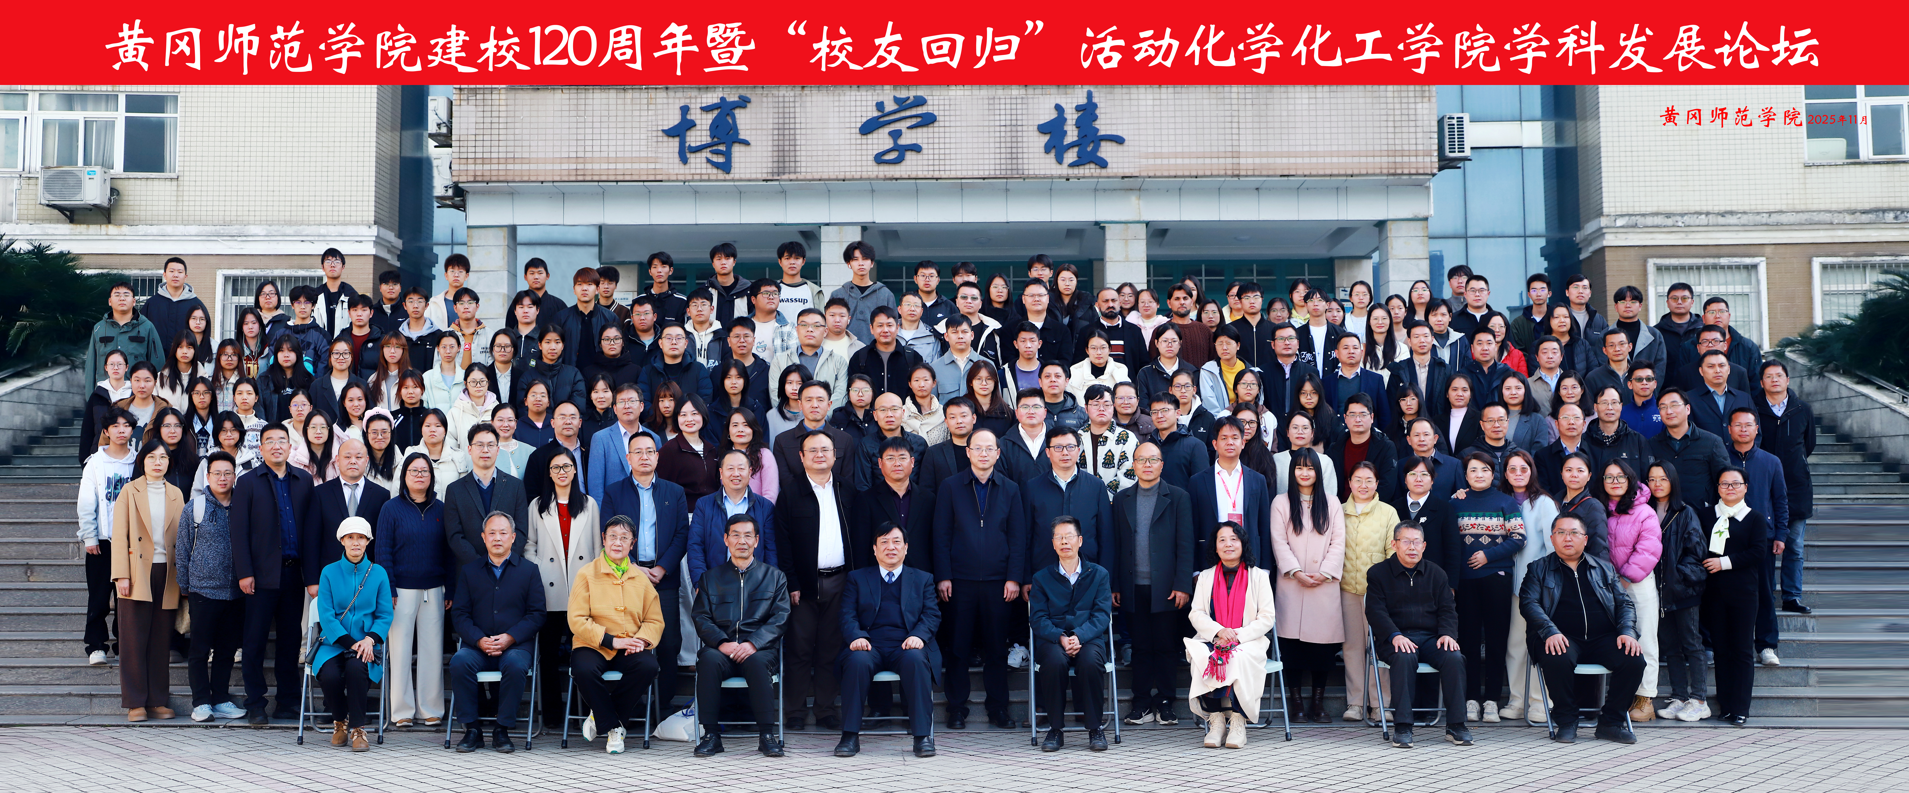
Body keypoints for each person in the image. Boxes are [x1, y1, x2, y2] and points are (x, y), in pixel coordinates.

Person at [1518, 513, 1645, 744]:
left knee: (1633, 659)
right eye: (1561, 533)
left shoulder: (1604, 568)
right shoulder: (1538, 568)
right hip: (1560, 638)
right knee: (1557, 656)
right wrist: (1550, 631)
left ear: (1585, 539)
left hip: (1602, 638)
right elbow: (1529, 603)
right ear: (1552, 538)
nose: (1568, 538)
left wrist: (1627, 632)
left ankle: (1611, 723)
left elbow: (1624, 603)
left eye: (1574, 533)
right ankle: (1567, 721)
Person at [932, 428, 1027, 730]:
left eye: (989, 449)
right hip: (959, 580)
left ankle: (998, 708)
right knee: (958, 647)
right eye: (978, 448)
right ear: (968, 452)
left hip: (1000, 583)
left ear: (998, 453)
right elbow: (941, 534)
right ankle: (956, 709)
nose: (983, 454)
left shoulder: (1010, 488)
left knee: (997, 648)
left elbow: (1018, 537)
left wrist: (1014, 577)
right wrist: (943, 575)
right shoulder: (950, 486)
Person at [771, 429, 857, 731]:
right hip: (803, 585)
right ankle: (795, 711)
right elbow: (782, 543)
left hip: (841, 581)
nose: (820, 455)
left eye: (825, 450)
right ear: (801, 457)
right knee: (799, 649)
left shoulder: (847, 489)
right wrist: (792, 583)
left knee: (831, 648)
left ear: (834, 455)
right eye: (813, 451)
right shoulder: (790, 492)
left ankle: (825, 710)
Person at [833, 522, 942, 758]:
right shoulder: (857, 578)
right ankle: (849, 736)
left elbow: (932, 615)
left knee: (916, 660)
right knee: (857, 661)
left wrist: (918, 636)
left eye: (896, 542)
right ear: (874, 549)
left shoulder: (922, 579)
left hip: (906, 645)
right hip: (869, 644)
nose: (890, 547)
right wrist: (856, 636)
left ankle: (922, 737)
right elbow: (847, 614)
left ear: (906, 548)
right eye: (884, 542)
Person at [231, 423, 316, 723]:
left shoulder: (304, 480)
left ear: (290, 447)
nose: (277, 446)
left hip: (294, 574)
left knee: (290, 641)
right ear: (261, 448)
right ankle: (255, 703)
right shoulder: (248, 482)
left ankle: (287, 702)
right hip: (260, 575)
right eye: (270, 441)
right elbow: (238, 531)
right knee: (254, 641)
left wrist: (312, 576)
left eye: (282, 440)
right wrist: (245, 572)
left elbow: (311, 530)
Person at [596, 431, 689, 705]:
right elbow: (608, 535)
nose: (644, 456)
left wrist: (662, 568)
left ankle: (664, 705)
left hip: (664, 579)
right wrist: (634, 568)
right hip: (626, 578)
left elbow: (682, 534)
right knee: (632, 640)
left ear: (657, 456)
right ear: (628, 458)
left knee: (668, 642)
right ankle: (634, 705)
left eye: (649, 451)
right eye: (638, 452)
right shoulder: (614, 492)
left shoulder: (674, 491)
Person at [691, 514, 792, 757]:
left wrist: (753, 643)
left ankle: (767, 735)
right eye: (735, 535)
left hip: (759, 650)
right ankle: (711, 735)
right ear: (726, 539)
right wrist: (722, 642)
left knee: (757, 663)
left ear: (757, 541)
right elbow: (701, 617)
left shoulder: (774, 577)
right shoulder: (710, 578)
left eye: (748, 535)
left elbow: (780, 617)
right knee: (707, 660)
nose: (742, 541)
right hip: (721, 649)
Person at [447, 513, 547, 752]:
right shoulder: (470, 571)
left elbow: (537, 614)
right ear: (483, 537)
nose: (497, 538)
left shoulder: (529, 571)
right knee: (459, 662)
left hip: (516, 646)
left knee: (515, 664)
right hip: (477, 646)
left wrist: (510, 637)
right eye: (492, 533)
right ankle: (472, 729)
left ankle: (502, 729)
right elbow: (459, 614)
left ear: (513, 537)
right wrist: (479, 640)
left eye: (503, 533)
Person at [1366, 520, 1469, 748]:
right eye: (1406, 541)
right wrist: (1394, 635)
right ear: (1394, 544)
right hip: (1395, 638)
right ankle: (1403, 726)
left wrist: (1447, 634)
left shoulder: (1437, 573)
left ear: (1424, 546)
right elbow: (1375, 611)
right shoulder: (1378, 574)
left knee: (1454, 658)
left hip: (1431, 638)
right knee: (1404, 657)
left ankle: (1456, 725)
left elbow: (1448, 609)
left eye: (1416, 542)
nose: (1412, 547)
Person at [566, 515, 665, 755]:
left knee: (648, 666)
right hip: (593, 644)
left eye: (624, 538)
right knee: (583, 669)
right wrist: (611, 641)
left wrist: (641, 640)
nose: (617, 542)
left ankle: (601, 715)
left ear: (632, 544)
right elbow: (576, 619)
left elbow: (654, 620)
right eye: (612, 536)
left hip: (629, 644)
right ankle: (613, 726)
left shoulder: (641, 579)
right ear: (603, 539)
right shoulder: (586, 574)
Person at [1181, 520, 1277, 748]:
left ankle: (1237, 721)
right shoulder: (1205, 577)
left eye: (1234, 539)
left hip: (1248, 640)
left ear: (1243, 544)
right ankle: (1216, 721)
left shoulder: (1259, 576)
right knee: (1202, 656)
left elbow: (1267, 617)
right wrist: (1219, 631)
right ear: (1215, 547)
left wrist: (1237, 636)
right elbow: (1196, 613)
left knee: (1237, 656)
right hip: (1212, 637)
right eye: (1222, 540)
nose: (1228, 544)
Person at [375, 452, 452, 727]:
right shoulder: (390, 508)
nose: (420, 475)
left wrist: (451, 589)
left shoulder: (441, 509)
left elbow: (449, 552)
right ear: (404, 476)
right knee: (400, 651)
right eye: (414, 471)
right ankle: (402, 712)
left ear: (432, 477)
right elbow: (382, 551)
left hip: (435, 589)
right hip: (400, 591)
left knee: (433, 651)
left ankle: (431, 709)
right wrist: (388, 588)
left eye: (424, 471)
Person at [1024, 518, 1114, 753]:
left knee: (1091, 661)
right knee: (1054, 661)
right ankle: (1055, 729)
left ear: (1080, 541)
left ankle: (1095, 728)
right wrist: (1061, 637)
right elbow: (1038, 618)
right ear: (1053, 543)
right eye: (1059, 537)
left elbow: (1102, 615)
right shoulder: (1041, 578)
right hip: (1054, 639)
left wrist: (1079, 637)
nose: (1065, 542)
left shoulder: (1099, 575)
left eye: (1069, 536)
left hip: (1088, 638)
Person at [1269, 448, 1345, 724]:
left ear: (1318, 472)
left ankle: (1318, 702)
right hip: (1292, 584)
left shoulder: (1332, 502)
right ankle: (1297, 702)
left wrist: (1325, 572)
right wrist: (1295, 571)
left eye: (1310, 468)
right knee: (1292, 649)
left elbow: (1338, 541)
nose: (1304, 473)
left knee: (1322, 650)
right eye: (1299, 468)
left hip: (1324, 585)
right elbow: (1279, 541)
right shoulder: (1281, 502)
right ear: (1292, 472)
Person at [1450, 452, 1526, 723]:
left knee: (1496, 639)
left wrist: (1488, 555)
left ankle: (1492, 699)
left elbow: (1519, 537)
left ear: (1493, 474)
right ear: (1465, 475)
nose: (1479, 474)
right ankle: (1471, 698)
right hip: (1465, 580)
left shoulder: (1505, 501)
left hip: (1497, 577)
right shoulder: (1455, 503)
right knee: (1468, 640)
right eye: (1473, 470)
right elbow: (1449, 541)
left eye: (1484, 469)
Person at [111, 442, 184, 721]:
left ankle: (157, 701)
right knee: (133, 639)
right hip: (136, 571)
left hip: (168, 573)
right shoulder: (129, 491)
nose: (157, 462)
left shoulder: (176, 494)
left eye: (163, 457)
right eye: (152, 457)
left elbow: (183, 538)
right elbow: (119, 536)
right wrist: (121, 575)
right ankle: (135, 702)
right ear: (142, 461)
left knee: (161, 639)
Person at [310, 516, 393, 752]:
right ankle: (339, 723)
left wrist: (369, 639)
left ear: (368, 541)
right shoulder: (329, 572)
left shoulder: (378, 573)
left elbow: (385, 614)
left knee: (357, 670)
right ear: (342, 541)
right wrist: (350, 643)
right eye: (350, 537)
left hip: (367, 642)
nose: (355, 542)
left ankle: (358, 729)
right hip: (334, 642)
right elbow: (326, 615)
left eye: (360, 538)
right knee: (329, 675)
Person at [175, 451, 246, 721]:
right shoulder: (195, 507)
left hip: (236, 592)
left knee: (227, 650)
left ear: (235, 476)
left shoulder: (243, 505)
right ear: (207, 476)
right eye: (217, 473)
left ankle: (221, 699)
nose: (222, 478)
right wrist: (185, 584)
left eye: (228, 473)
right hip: (203, 590)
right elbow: (182, 549)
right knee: (199, 650)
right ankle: (201, 702)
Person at [1724, 406, 1791, 668]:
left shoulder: (1771, 461)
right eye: (1738, 425)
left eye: (1748, 425)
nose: (1743, 429)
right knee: (1728, 592)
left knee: (1764, 591)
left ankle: (1766, 645)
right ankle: (1729, 643)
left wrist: (1781, 534)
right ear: (1729, 429)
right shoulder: (1720, 457)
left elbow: (1780, 500)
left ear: (1757, 429)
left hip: (1763, 537)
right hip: (1726, 535)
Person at [1703, 467, 1768, 727]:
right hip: (1714, 593)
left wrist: (1724, 563)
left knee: (1741, 650)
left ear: (1745, 487)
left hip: (1744, 593)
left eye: (1735, 484)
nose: (1730, 488)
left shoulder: (1755, 518)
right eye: (1724, 484)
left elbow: (1758, 552)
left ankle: (1741, 708)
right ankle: (1726, 706)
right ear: (1717, 488)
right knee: (1721, 650)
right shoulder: (1707, 516)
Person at [1496, 451, 1558, 723]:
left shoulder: (1543, 503)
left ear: (1532, 471)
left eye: (1524, 468)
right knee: (1515, 645)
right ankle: (1517, 699)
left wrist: (1546, 584)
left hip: (1536, 587)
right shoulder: (1499, 500)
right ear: (1505, 473)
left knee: (1539, 643)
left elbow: (1553, 545)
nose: (1518, 473)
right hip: (1506, 584)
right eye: (1512, 469)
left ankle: (1539, 702)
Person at [1648, 462, 1711, 723]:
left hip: (1684, 590)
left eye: (1663, 478)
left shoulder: (1685, 512)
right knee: (1670, 646)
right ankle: (1679, 697)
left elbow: (1697, 551)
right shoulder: (1646, 510)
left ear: (1673, 481)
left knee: (1691, 643)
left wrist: (1679, 576)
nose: (1657, 484)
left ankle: (1699, 700)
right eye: (1652, 479)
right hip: (1657, 591)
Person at [1601, 461, 1664, 723]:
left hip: (1637, 582)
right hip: (1605, 584)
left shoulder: (1644, 511)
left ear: (1630, 480)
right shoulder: (1599, 508)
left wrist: (1625, 577)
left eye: (1620, 477)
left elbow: (1649, 548)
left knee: (1645, 638)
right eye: (1609, 477)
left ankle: (1645, 698)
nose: (1615, 481)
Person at [1338, 462, 1399, 722]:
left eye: (1369, 480)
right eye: (1358, 480)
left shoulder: (1388, 512)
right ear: (1349, 483)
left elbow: (1394, 550)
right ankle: (1355, 703)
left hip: (1378, 593)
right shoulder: (1338, 511)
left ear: (1377, 483)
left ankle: (1380, 704)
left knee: (1379, 647)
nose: (1363, 485)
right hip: (1346, 588)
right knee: (1352, 647)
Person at [78, 408, 139, 663]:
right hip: (103, 541)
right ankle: (96, 646)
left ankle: (124, 643)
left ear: (132, 430)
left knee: (127, 597)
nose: (121, 430)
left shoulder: (138, 461)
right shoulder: (95, 463)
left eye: (126, 425)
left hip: (131, 542)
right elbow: (86, 502)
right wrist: (90, 536)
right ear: (106, 431)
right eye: (115, 426)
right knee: (99, 597)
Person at [1754, 360, 1815, 614]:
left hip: (1796, 486)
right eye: (1769, 376)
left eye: (1779, 375)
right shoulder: (1754, 408)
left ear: (1787, 380)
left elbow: (1808, 444)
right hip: (1762, 485)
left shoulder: (1802, 409)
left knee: (1795, 546)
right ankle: (1764, 595)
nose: (1775, 380)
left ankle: (1792, 596)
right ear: (1762, 382)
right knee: (1762, 544)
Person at [443, 425, 531, 567]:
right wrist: (480, 565)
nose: (485, 450)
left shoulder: (515, 486)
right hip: (470, 570)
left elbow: (521, 530)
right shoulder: (454, 490)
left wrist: (502, 562)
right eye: (479, 445)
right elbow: (454, 535)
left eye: (490, 445)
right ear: (469, 449)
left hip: (508, 569)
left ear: (498, 450)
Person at [303, 439, 389, 583]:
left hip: (368, 575)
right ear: (337, 460)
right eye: (347, 456)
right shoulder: (320, 493)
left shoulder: (381, 495)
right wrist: (312, 581)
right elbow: (312, 539)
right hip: (330, 574)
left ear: (367, 460)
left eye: (359, 457)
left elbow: (383, 542)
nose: (353, 461)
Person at [1650, 388, 1733, 510]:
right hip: (1664, 515)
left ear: (1687, 409)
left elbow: (1725, 481)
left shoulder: (1712, 442)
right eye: (1663, 407)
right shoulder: (1652, 444)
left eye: (1674, 405)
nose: (1669, 411)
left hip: (1702, 515)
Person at [85, 281, 165, 389]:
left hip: (136, 392)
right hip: (105, 393)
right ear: (110, 301)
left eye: (126, 295)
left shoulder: (147, 327)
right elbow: (91, 367)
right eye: (117, 295)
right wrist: (91, 396)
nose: (122, 298)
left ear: (133, 301)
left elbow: (157, 364)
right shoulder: (99, 328)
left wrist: (156, 394)